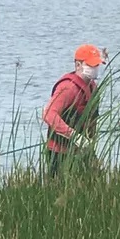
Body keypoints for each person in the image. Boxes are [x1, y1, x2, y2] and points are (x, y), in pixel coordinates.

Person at [42, 44, 106, 178]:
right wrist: (74, 136)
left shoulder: (93, 87)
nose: (95, 69)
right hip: (60, 153)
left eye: (96, 65)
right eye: (91, 65)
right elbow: (49, 114)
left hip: (84, 150)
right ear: (78, 65)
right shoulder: (68, 88)